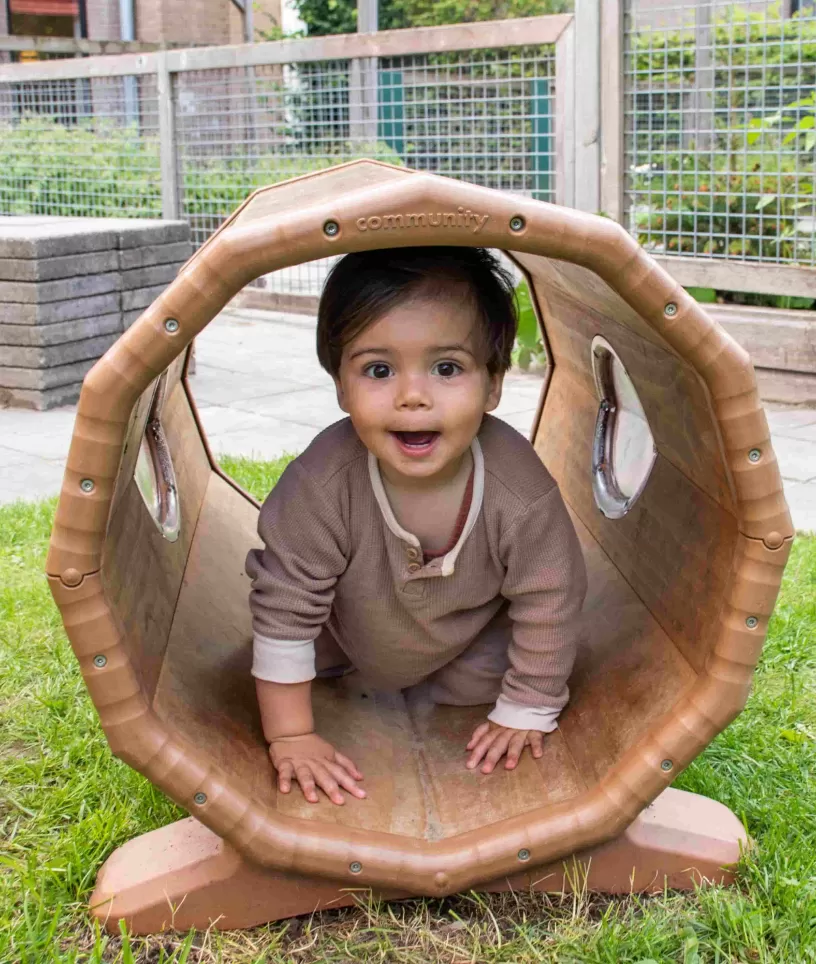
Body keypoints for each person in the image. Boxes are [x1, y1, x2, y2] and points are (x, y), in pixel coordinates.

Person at [246, 246, 587, 807]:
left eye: (447, 368)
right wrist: (292, 736)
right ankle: (353, 684)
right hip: (345, 630)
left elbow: (551, 593)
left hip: (464, 641)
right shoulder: (322, 483)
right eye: (378, 370)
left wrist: (527, 707)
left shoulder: (517, 488)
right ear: (339, 386)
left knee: (504, 675)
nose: (412, 396)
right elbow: (285, 604)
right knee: (272, 655)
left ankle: (433, 689)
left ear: (493, 384)